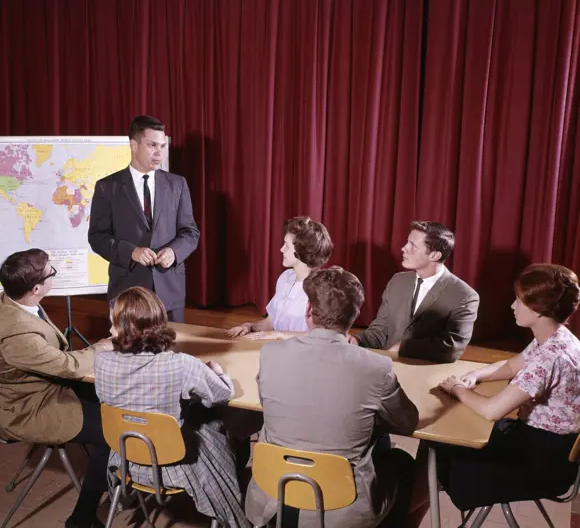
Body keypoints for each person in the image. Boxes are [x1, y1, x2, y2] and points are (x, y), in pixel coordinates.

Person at [245, 266, 419, 528]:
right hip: (343, 506)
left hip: (274, 493)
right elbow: (407, 423)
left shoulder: (270, 354)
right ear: (354, 316)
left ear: (308, 312)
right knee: (402, 463)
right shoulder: (376, 367)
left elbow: (266, 403)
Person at [406, 263, 580, 522]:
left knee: (437, 451)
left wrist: (456, 389)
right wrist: (477, 375)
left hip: (540, 462)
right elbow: (513, 365)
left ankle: (406, 515)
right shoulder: (558, 338)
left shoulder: (550, 357)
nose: (512, 306)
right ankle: (410, 514)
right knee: (439, 443)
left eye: (519, 301)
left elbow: (492, 410)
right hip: (543, 445)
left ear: (540, 310)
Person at [94, 287, 251, 528]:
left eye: (113, 323)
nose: (109, 329)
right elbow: (222, 394)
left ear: (126, 329)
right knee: (217, 419)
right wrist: (218, 373)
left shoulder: (102, 362)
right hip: (172, 465)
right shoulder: (181, 365)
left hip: (125, 457)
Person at [0, 249, 113, 528]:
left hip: (42, 388)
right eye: (52, 272)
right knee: (112, 429)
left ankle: (117, 475)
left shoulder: (12, 301)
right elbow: (70, 367)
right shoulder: (17, 333)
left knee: (115, 396)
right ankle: (82, 518)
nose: (55, 274)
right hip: (30, 409)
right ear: (36, 288)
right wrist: (104, 345)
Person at [88, 115, 200, 323]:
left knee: (172, 351)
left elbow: (190, 232)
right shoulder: (107, 187)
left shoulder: (178, 184)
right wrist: (132, 252)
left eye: (162, 145)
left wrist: (174, 252)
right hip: (127, 290)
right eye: (152, 145)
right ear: (133, 145)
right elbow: (97, 238)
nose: (159, 152)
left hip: (169, 291)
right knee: (129, 353)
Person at [355, 221, 479, 363]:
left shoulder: (464, 296)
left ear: (434, 255)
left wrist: (404, 348)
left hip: (426, 373)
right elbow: (380, 330)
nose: (403, 248)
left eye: (412, 246)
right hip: (387, 368)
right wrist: (358, 340)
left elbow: (451, 348)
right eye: (407, 243)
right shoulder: (398, 281)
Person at [226, 216, 333, 340]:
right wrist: (249, 327)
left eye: (286, 246)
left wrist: (279, 335)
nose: (281, 249)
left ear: (302, 251)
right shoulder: (286, 278)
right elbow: (271, 321)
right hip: (278, 349)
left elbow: (321, 337)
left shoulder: (322, 289)